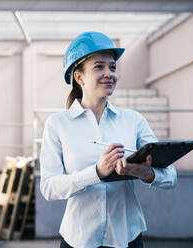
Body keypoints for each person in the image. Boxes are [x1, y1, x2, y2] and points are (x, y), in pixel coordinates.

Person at [40, 31, 177, 248]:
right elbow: (49, 187)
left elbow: (170, 177)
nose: (109, 73)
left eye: (112, 67)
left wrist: (145, 173)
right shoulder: (58, 124)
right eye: (99, 67)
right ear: (79, 77)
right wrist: (96, 173)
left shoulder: (133, 120)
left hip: (127, 237)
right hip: (79, 239)